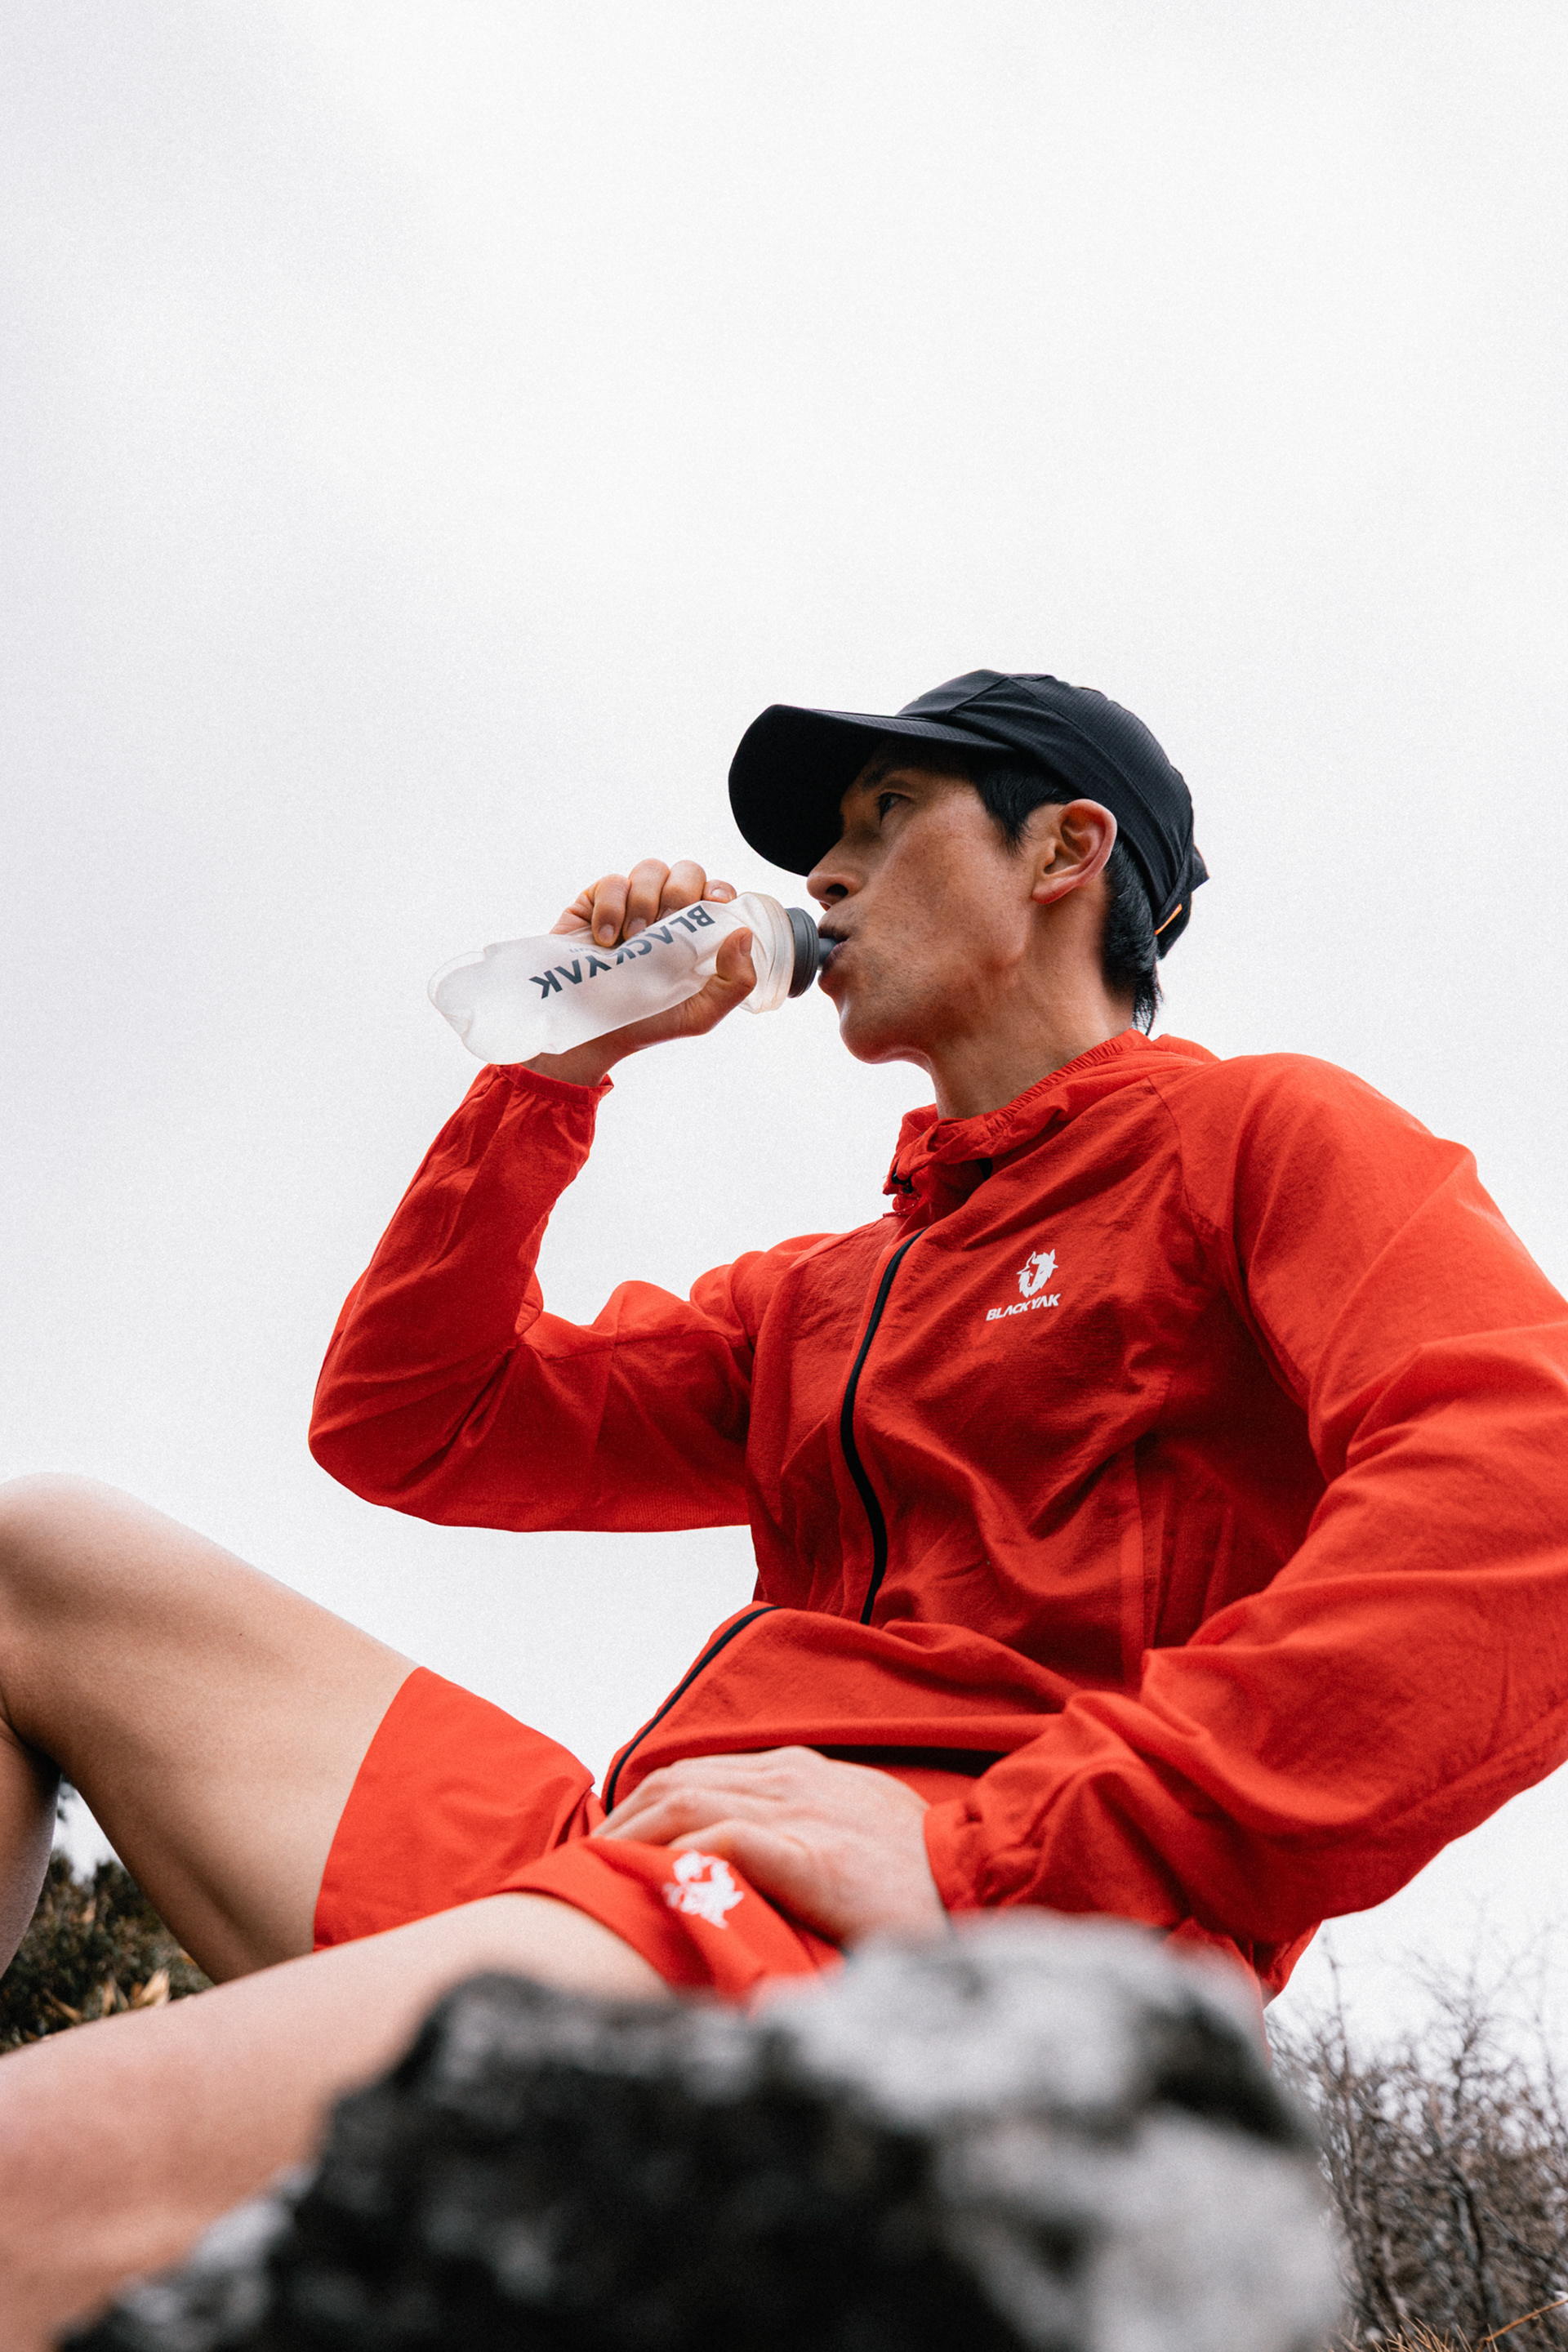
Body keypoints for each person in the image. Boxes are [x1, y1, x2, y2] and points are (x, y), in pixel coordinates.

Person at [2, 671, 1566, 2349]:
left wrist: (995, 1864)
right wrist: (559, 1071)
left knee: (30, 2193)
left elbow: (1527, 1490)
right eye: (827, 839)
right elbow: (415, 1418)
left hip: (912, 1929)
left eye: (887, 817)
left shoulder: (1253, 1135)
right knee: (37, 1561)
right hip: (654, 1852)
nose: (823, 874)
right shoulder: (828, 1292)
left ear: (1065, 852)